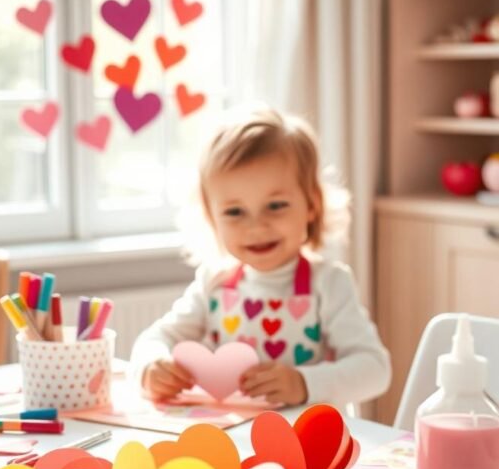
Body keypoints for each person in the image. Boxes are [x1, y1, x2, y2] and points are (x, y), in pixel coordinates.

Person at [130, 106, 391, 411]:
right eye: (235, 212)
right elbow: (156, 337)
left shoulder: (329, 283)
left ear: (311, 205)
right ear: (212, 218)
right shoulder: (213, 282)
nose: (256, 226)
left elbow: (375, 370)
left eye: (276, 205)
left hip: (309, 445)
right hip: (232, 441)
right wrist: (150, 367)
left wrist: (303, 383)